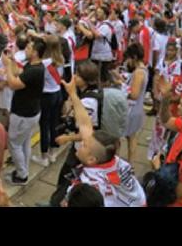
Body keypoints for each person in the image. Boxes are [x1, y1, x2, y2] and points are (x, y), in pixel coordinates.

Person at [59, 76, 146, 207]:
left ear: (91, 160)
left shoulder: (87, 185)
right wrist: (73, 93)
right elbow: (85, 125)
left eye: (84, 146)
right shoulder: (116, 162)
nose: (81, 143)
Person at [2, 37, 45, 185]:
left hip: (23, 114)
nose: (25, 50)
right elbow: (19, 72)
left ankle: (21, 175)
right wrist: (12, 60)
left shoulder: (34, 70)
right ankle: (23, 169)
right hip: (30, 111)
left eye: (28, 48)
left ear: (35, 52)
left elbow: (13, 83)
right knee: (24, 142)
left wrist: (7, 66)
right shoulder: (34, 66)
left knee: (14, 144)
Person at [34, 34, 65, 167]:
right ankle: (53, 153)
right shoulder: (61, 59)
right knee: (54, 123)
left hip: (46, 95)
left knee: (44, 125)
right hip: (57, 92)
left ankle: (44, 156)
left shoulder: (44, 63)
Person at [120, 42, 149, 165]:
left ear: (135, 57)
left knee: (121, 138)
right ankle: (130, 165)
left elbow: (134, 94)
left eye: (129, 58)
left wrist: (121, 85)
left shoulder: (138, 72)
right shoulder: (143, 69)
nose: (128, 62)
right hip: (137, 110)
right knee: (132, 137)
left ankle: (119, 165)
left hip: (131, 111)